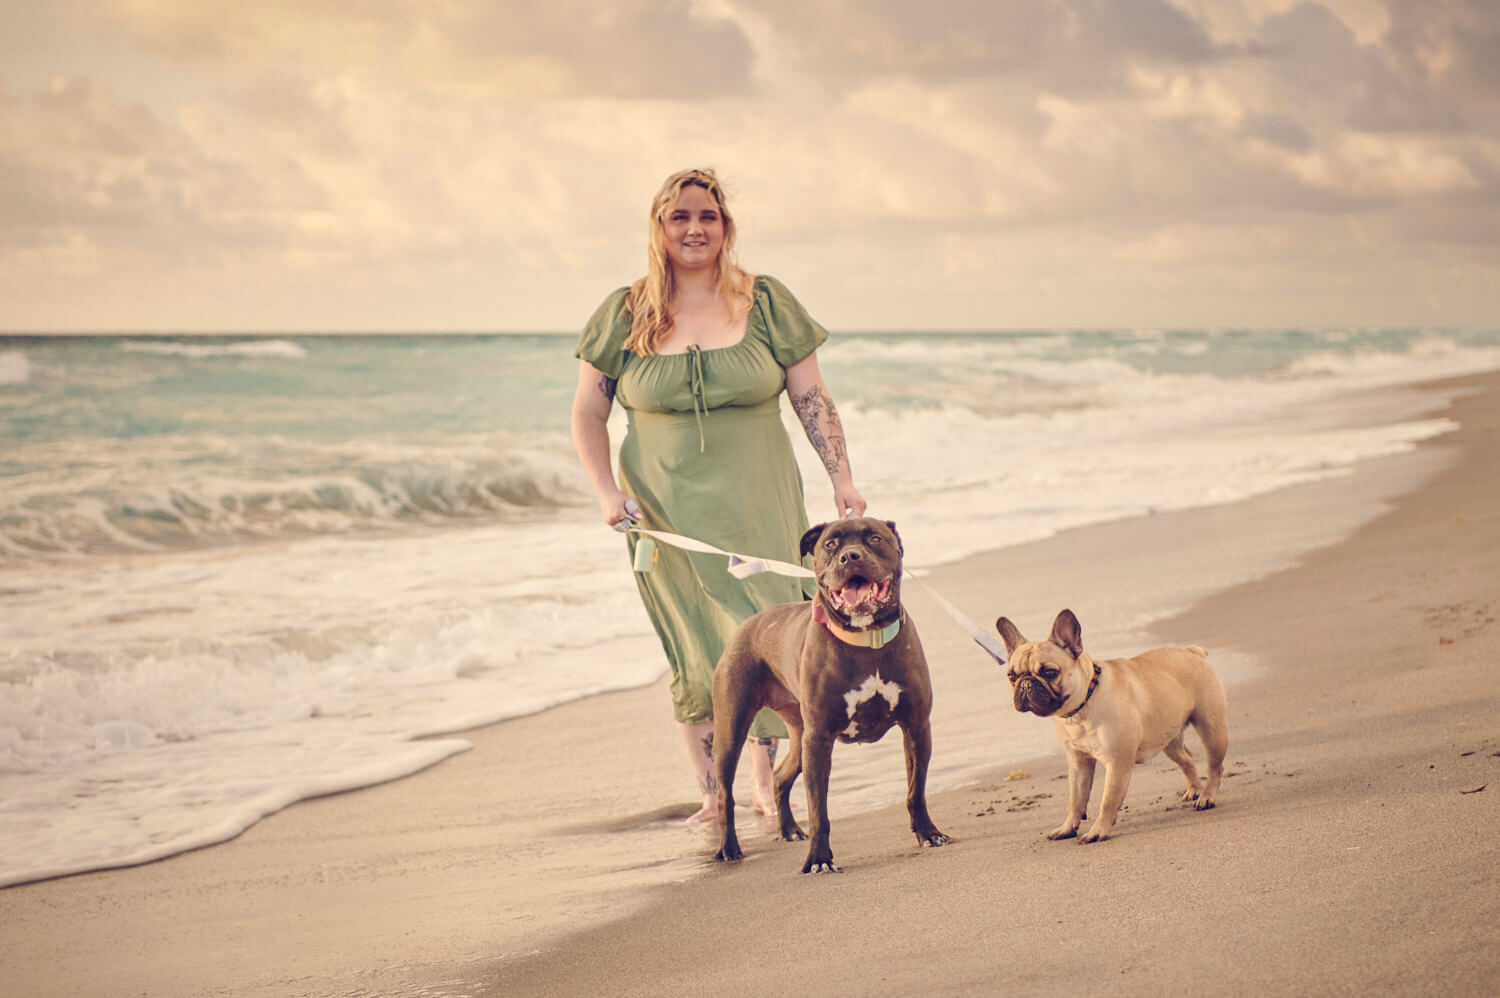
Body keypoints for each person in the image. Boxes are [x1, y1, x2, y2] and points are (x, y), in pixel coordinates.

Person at [571, 168, 866, 824]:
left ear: (725, 226)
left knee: (774, 635)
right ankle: (714, 791)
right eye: (680, 218)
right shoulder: (625, 311)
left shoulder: (764, 302)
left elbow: (811, 397)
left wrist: (841, 478)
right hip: (664, 510)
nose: (695, 228)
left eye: (707, 216)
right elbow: (588, 414)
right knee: (694, 635)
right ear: (659, 228)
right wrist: (604, 492)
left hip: (760, 502)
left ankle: (773, 779)